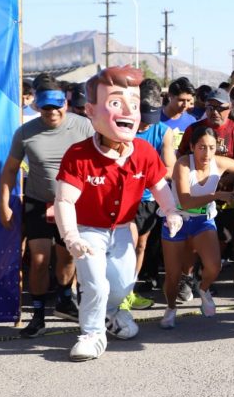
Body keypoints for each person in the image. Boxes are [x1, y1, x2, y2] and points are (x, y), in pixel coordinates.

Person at [54, 66, 184, 362]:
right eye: (115, 103)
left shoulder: (143, 151)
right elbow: (64, 200)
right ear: (91, 110)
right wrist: (70, 235)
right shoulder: (78, 155)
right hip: (88, 229)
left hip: (123, 229)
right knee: (95, 283)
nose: (127, 111)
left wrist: (171, 210)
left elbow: (159, 184)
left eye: (134, 105)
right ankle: (91, 333)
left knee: (124, 283)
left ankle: (112, 312)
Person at [0, 77, 94, 338]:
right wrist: (4, 203)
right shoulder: (25, 132)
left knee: (68, 257)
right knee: (39, 260)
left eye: (57, 106)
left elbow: (99, 162)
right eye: (46, 108)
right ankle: (38, 316)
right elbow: (9, 170)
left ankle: (65, 300)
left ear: (66, 103)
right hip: (38, 201)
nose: (52, 112)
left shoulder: (84, 126)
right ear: (37, 107)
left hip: (73, 203)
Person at [160, 127, 234, 328]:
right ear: (192, 147)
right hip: (176, 221)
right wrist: (217, 195)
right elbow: (186, 201)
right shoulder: (183, 164)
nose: (207, 154)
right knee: (172, 276)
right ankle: (171, 308)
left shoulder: (220, 163)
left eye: (212, 148)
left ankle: (203, 289)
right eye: (202, 147)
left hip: (203, 221)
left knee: (214, 267)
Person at [129, 86, 177, 310]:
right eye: (143, 118)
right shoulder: (118, 125)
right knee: (120, 246)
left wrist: (142, 171)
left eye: (151, 119)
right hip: (120, 197)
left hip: (147, 197)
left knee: (140, 246)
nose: (146, 124)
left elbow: (169, 169)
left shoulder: (163, 131)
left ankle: (127, 291)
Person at [160, 77, 197, 149]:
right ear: (170, 97)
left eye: (188, 100)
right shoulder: (154, 119)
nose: (185, 105)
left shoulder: (192, 122)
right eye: (181, 100)